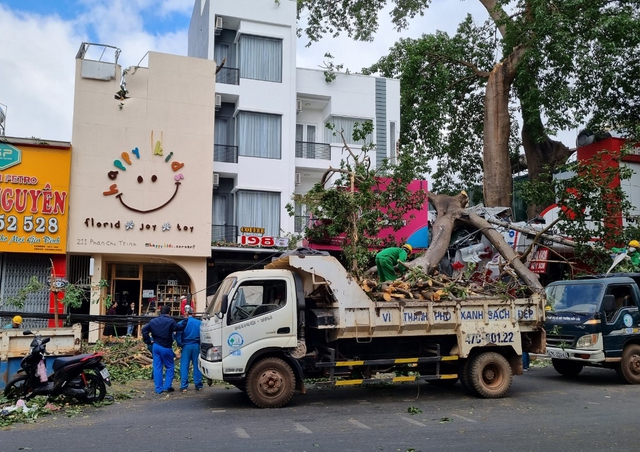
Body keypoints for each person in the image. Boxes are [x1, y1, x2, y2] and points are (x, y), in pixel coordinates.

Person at [142, 305, 186, 394]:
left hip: (156, 346)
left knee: (157, 367)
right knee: (169, 367)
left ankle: (158, 389)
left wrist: (148, 341)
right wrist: (185, 320)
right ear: (169, 313)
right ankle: (167, 386)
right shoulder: (170, 321)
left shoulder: (153, 321)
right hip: (166, 347)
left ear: (160, 312)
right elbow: (179, 328)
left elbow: (144, 330)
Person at [174, 305, 203, 392]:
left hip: (186, 345)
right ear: (193, 313)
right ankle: (198, 385)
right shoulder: (199, 323)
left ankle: (184, 386)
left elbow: (178, 336)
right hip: (196, 346)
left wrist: (180, 344)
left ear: (184, 313)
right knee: (197, 366)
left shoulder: (181, 323)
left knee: (184, 366)